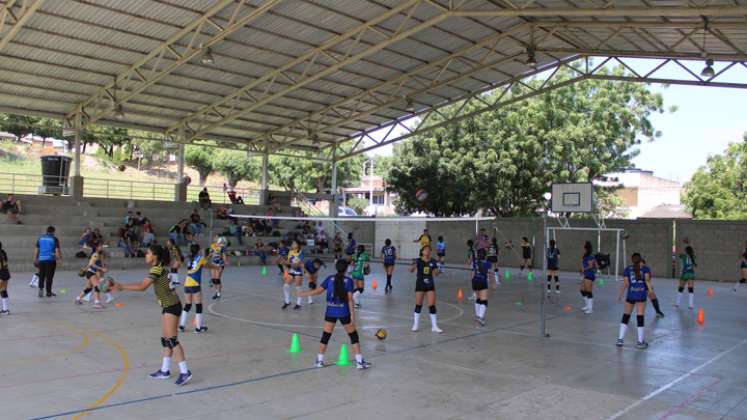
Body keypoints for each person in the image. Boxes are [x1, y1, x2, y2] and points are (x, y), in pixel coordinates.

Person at [112, 244, 192, 385]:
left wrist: (122, 286)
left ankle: (185, 372)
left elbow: (142, 287)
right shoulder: (159, 267)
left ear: (155, 256)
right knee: (166, 339)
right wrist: (122, 286)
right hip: (168, 306)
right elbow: (143, 283)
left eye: (148, 253)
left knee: (172, 340)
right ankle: (165, 370)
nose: (146, 255)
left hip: (171, 306)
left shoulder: (157, 269)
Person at [298, 259, 372, 369]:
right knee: (353, 336)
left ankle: (319, 360)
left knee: (325, 336)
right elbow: (350, 299)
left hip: (330, 311)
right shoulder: (348, 281)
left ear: (336, 268)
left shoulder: (329, 279)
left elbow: (318, 291)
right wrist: (352, 315)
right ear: (346, 269)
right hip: (344, 312)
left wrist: (304, 294)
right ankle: (359, 361)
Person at [616, 253, 651, 349]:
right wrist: (650, 292)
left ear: (632, 260)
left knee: (626, 316)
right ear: (640, 260)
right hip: (641, 295)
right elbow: (647, 282)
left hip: (631, 295)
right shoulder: (645, 269)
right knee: (640, 317)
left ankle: (620, 339)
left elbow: (626, 284)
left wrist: (620, 295)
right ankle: (640, 342)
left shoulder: (627, 269)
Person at [180, 244, 216, 334]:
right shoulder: (200, 258)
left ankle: (181, 326)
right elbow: (208, 266)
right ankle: (198, 328)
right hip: (195, 284)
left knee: (187, 305)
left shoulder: (190, 259)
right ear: (198, 250)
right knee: (198, 305)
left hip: (187, 283)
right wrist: (217, 267)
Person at [410, 245, 442, 333]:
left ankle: (434, 326)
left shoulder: (433, 261)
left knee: (432, 305)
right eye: (426, 250)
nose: (428, 251)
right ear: (422, 252)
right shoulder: (418, 260)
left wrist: (439, 268)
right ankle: (415, 325)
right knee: (418, 305)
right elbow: (411, 270)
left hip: (430, 285)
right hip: (420, 284)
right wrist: (414, 265)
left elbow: (436, 274)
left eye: (429, 250)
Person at [75, 243, 107, 309]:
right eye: (100, 246)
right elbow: (92, 264)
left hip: (91, 272)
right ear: (97, 248)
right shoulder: (95, 254)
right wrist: (101, 269)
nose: (101, 247)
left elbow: (92, 264)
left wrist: (102, 269)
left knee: (89, 289)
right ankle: (97, 303)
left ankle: (78, 299)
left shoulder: (98, 255)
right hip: (91, 273)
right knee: (97, 287)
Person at [35, 226, 61, 298]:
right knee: (49, 277)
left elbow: (37, 250)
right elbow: (56, 251)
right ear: (53, 232)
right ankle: (48, 292)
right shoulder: (54, 239)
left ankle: (40, 289)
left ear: (47, 231)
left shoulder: (40, 238)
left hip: (41, 260)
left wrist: (35, 259)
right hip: (50, 260)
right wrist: (58, 259)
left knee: (41, 275)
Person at [472, 248, 492, 326]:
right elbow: (490, 272)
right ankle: (480, 317)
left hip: (475, 281)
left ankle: (477, 315)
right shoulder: (487, 263)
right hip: (482, 281)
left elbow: (473, 273)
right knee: (484, 301)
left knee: (478, 299)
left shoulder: (475, 262)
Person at [285, 240, 305, 310]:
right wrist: (285, 263)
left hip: (298, 272)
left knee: (298, 288)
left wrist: (288, 263)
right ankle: (287, 302)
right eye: (292, 244)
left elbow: (296, 265)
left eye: (294, 243)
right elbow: (288, 262)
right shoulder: (290, 252)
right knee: (285, 286)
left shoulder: (301, 253)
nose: (292, 245)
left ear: (298, 245)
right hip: (291, 271)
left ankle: (298, 304)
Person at [580, 241, 597, 314]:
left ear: (586, 248)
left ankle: (590, 309)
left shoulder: (590, 256)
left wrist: (584, 269)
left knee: (588, 291)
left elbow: (591, 266)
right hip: (586, 275)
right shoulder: (586, 255)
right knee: (582, 290)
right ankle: (587, 305)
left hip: (589, 275)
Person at [351, 244, 369, 309]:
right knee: (361, 289)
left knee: (356, 288)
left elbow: (352, 264)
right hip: (359, 273)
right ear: (363, 250)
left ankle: (357, 303)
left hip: (354, 273)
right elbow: (366, 266)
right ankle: (354, 298)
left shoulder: (354, 255)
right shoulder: (365, 255)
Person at [0, 242, 10, 315]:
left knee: (2, 290)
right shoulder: (3, 252)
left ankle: (5, 310)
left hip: (1, 273)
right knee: (3, 290)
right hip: (5, 272)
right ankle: (5, 310)